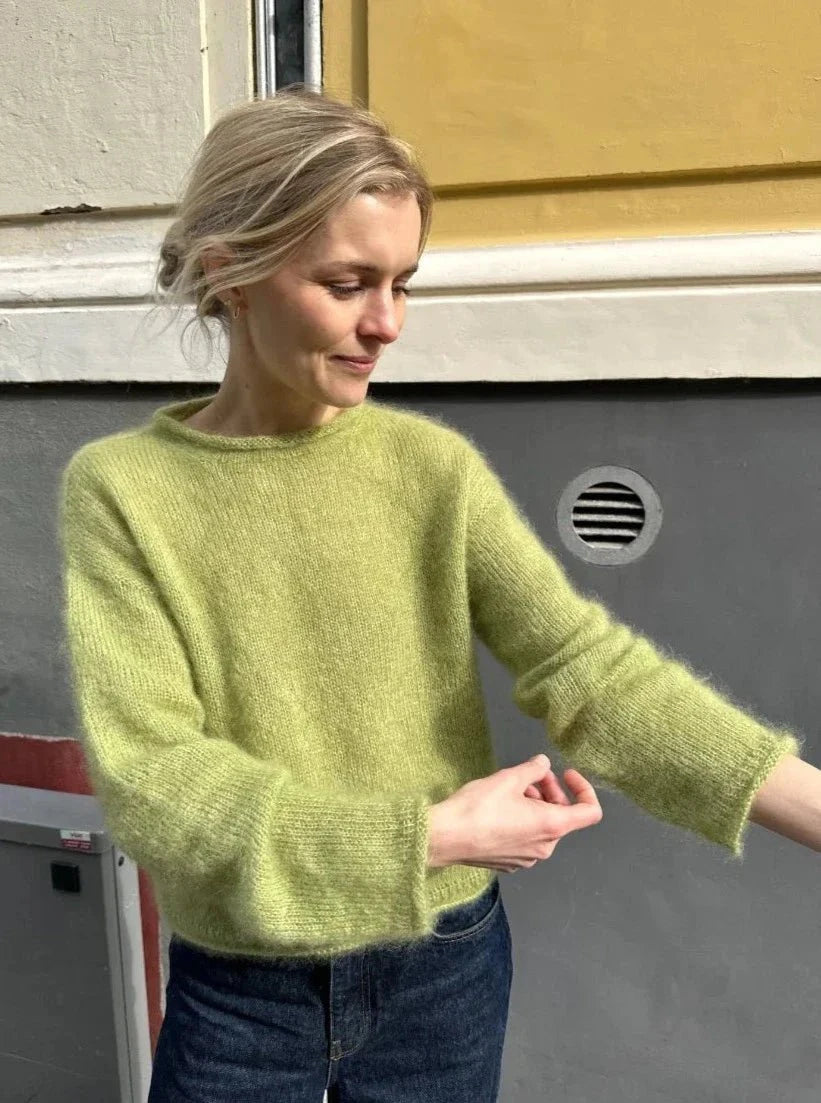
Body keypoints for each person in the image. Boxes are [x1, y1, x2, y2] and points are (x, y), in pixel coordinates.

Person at [59, 87, 820, 1103]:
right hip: (243, 987)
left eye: (402, 283)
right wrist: (431, 836)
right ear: (229, 272)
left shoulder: (429, 470)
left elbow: (590, 669)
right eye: (346, 283)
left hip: (443, 970)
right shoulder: (124, 490)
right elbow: (155, 774)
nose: (386, 323)